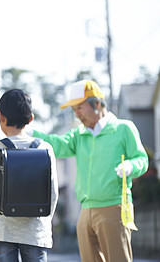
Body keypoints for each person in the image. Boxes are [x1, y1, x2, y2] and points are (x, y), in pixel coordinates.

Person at [31, 80, 149, 262]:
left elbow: (142, 159)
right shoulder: (79, 135)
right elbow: (58, 145)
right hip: (85, 210)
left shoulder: (123, 129)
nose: (76, 114)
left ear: (97, 103)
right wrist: (30, 133)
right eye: (74, 110)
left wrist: (131, 166)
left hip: (114, 206)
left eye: (80, 108)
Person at [0, 89, 59, 262]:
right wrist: (41, 220)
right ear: (30, 118)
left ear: (1, 116)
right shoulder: (45, 149)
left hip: (1, 230)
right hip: (35, 231)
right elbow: (53, 194)